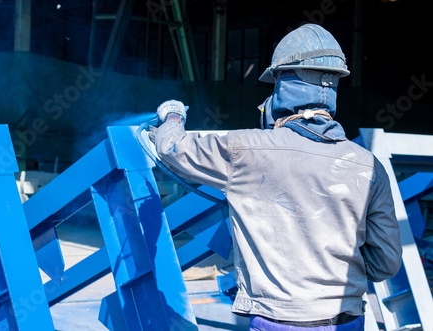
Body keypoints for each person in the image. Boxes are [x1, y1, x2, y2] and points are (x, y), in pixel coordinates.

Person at [151, 23, 402, 330]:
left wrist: (173, 115)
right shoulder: (368, 166)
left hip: (278, 322)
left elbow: (172, 148)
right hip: (348, 320)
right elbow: (386, 263)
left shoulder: (248, 150)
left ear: (284, 85)